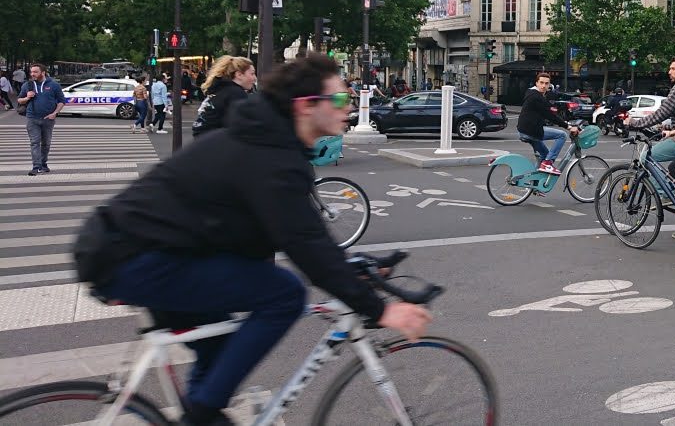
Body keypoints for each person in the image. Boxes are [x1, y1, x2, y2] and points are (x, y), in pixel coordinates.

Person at [72, 54, 430, 426]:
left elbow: (276, 237)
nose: (350, 106)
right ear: (305, 107)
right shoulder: (271, 157)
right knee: (284, 294)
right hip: (133, 257)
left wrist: (350, 270)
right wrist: (380, 309)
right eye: (339, 100)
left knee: (217, 352)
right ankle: (200, 415)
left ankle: (203, 415)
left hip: (139, 250)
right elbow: (304, 244)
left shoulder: (268, 142)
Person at [626, 56, 675, 239]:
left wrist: (635, 122)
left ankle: (664, 193)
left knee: (646, 156)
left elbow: (662, 112)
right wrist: (667, 128)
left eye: (672, 69)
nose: (669, 72)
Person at [516, 72, 578, 174]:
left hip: (524, 130)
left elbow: (548, 111)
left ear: (549, 85)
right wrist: (568, 126)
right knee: (562, 135)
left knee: (543, 156)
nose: (544, 86)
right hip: (531, 131)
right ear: (536, 83)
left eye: (546, 83)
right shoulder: (537, 97)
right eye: (541, 83)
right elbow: (550, 116)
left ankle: (533, 184)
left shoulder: (531, 93)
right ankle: (548, 163)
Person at [15, 63, 67, 176]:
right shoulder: (27, 85)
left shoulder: (54, 85)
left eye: (35, 72)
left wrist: (55, 113)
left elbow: (62, 101)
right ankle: (36, 166)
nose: (32, 74)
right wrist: (27, 97)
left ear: (43, 72)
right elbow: (19, 100)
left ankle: (43, 164)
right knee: (34, 143)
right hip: (32, 118)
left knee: (46, 144)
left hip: (48, 119)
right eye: (31, 72)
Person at [193, 56, 256, 137]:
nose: (255, 78)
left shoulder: (220, 90)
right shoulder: (236, 94)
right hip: (218, 144)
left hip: (204, 142)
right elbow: (243, 126)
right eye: (252, 73)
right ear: (239, 75)